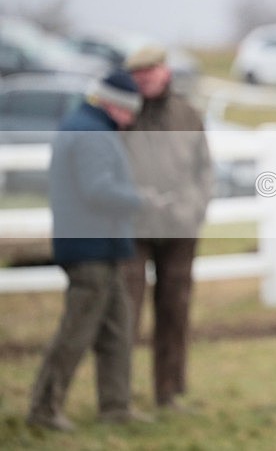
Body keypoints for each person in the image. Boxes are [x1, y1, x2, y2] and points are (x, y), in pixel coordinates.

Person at [28, 70, 149, 430]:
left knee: (116, 329)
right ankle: (43, 410)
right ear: (113, 105)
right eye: (130, 111)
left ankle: (116, 406)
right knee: (76, 332)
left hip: (101, 247)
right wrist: (140, 200)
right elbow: (98, 190)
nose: (131, 119)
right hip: (90, 249)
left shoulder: (86, 126)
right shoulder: (92, 133)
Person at [121, 45, 214, 410]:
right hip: (132, 227)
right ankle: (119, 396)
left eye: (151, 71)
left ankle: (169, 391)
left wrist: (193, 208)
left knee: (175, 311)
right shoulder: (122, 113)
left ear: (165, 72)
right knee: (124, 311)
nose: (144, 79)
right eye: (138, 74)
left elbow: (203, 170)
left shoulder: (187, 113)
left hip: (179, 228)